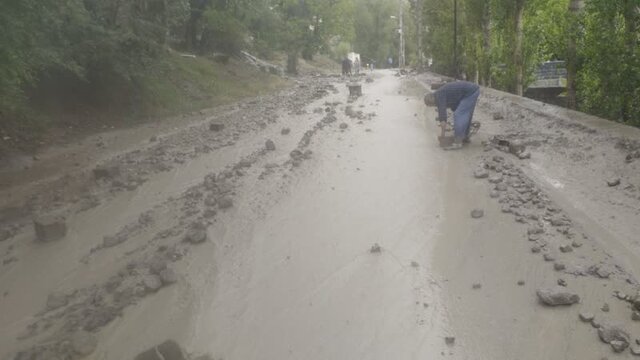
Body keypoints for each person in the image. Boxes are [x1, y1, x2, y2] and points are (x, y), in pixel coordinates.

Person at [423, 81, 480, 150]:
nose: (434, 106)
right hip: (472, 90)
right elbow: (454, 104)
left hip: (470, 92)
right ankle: (465, 137)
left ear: (431, 99)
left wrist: (442, 135)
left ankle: (458, 142)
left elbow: (442, 116)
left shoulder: (439, 95)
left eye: (432, 105)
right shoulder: (439, 95)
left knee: (458, 115)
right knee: (464, 114)